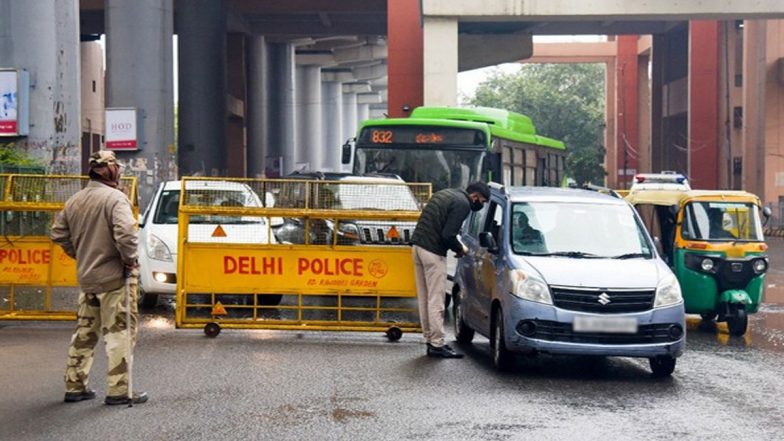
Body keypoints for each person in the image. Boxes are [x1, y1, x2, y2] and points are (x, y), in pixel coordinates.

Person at [51, 150, 148, 405]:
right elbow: (127, 234)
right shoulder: (116, 199)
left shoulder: (75, 200)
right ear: (112, 171)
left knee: (84, 333)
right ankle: (119, 391)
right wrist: (129, 260)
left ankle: (75, 386)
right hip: (116, 279)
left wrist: (81, 254)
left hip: (88, 278)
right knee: (119, 333)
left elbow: (58, 234)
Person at [411, 181, 489, 358]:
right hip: (432, 251)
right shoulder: (463, 204)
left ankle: (430, 340)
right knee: (436, 299)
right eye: (482, 201)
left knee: (425, 298)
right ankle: (437, 344)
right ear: (475, 196)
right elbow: (448, 235)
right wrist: (460, 249)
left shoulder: (446, 193)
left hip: (417, 248)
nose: (480, 205)